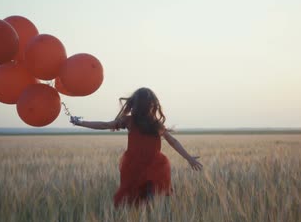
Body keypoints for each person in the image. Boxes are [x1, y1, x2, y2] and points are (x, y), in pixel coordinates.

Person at [70, 87, 203, 206]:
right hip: (152, 163)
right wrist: (189, 158)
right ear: (152, 105)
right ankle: (145, 218)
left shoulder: (132, 121)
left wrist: (80, 123)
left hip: (139, 163)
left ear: (135, 104)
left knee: (140, 195)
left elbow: (105, 125)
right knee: (142, 196)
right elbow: (172, 141)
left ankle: (147, 217)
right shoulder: (152, 123)